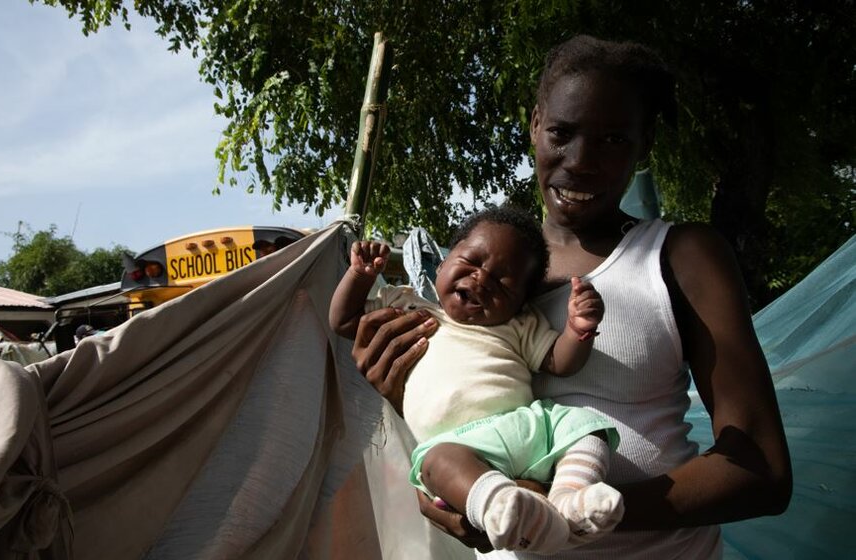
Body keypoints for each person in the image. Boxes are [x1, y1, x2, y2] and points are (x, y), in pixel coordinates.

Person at [349, 35, 792, 559]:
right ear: (535, 124)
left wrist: (576, 515)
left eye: (613, 140)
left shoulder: (679, 256)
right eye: (561, 132)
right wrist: (403, 395)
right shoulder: (479, 275)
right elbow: (463, 427)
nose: (581, 161)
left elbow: (761, 469)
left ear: (645, 143)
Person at [329, 206, 623, 554]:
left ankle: (570, 499)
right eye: (471, 261)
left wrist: (578, 329)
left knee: (584, 425)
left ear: (519, 304)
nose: (482, 279)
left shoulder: (518, 327)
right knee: (434, 463)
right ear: (441, 263)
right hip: (460, 450)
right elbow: (344, 321)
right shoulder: (407, 307)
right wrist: (360, 276)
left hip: (522, 427)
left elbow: (560, 361)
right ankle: (504, 505)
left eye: (502, 282)